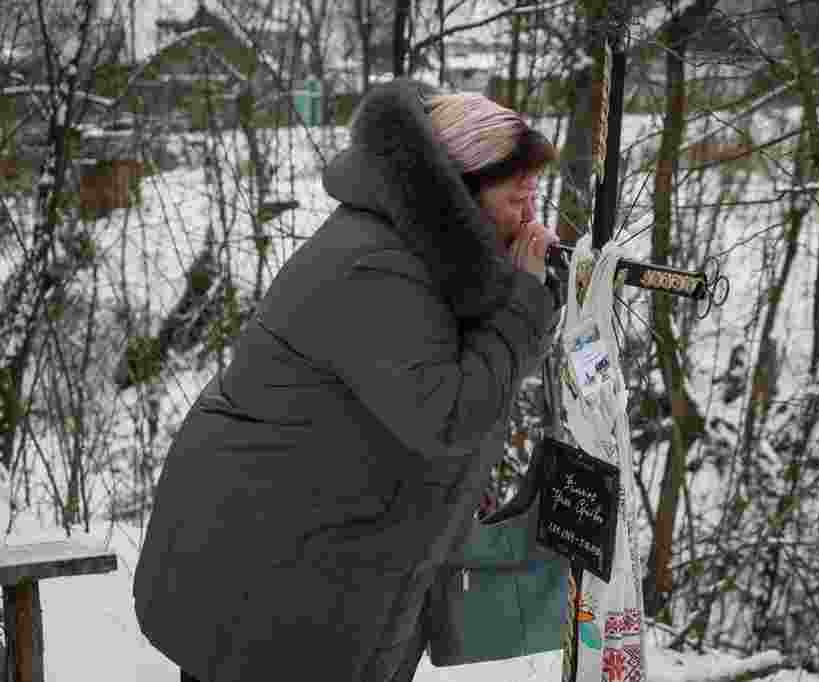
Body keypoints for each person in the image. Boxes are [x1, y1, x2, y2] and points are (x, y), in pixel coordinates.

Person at [132, 77, 564, 682]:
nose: (532, 217)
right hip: (266, 571)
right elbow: (447, 415)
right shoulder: (378, 265)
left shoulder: (416, 253)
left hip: (308, 559)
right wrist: (522, 303)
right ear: (457, 197)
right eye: (517, 199)